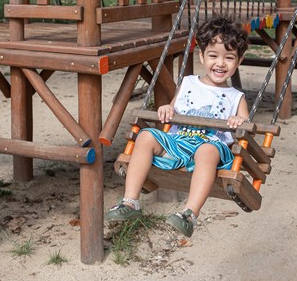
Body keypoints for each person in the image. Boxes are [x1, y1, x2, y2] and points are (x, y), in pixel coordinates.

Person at [105, 16, 251, 238]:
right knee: (145, 136)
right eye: (213, 56)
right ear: (201, 56)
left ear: (238, 61)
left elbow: (245, 129)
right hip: (179, 142)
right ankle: (131, 201)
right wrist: (166, 109)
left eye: (229, 58)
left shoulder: (236, 97)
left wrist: (239, 122)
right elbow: (172, 111)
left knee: (206, 150)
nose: (220, 63)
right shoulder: (188, 84)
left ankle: (189, 214)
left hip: (211, 147)